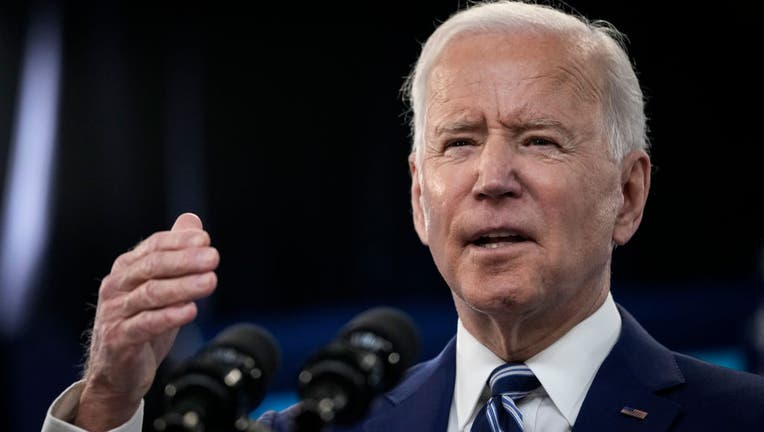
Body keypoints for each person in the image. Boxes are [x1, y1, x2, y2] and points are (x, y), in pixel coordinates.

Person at [42, 1, 764, 431]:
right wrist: (109, 398)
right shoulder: (329, 424)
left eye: (539, 139)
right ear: (421, 198)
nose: (492, 179)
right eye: (460, 142)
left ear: (628, 197)